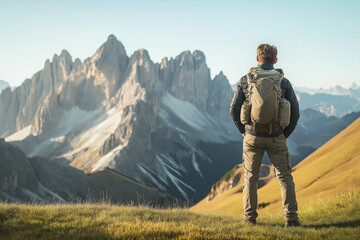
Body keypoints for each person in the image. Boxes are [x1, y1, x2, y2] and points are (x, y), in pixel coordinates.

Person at [230, 44, 301, 228]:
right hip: (277, 136)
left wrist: (243, 131)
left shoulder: (246, 80)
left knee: (250, 178)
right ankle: (291, 219)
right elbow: (295, 112)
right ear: (275, 60)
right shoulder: (283, 81)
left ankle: (249, 219)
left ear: (257, 59)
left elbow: (234, 109)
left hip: (252, 136)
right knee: (285, 177)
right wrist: (284, 134)